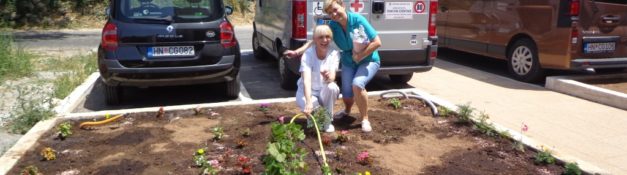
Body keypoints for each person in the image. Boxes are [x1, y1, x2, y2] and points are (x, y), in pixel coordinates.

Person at [285, 0, 382, 132]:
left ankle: (365, 119)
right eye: (330, 13)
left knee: (357, 84)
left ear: (342, 5)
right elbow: (316, 39)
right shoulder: (333, 25)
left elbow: (377, 42)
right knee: (347, 94)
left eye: (335, 9)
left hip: (368, 59)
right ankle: (347, 111)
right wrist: (298, 52)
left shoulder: (358, 20)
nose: (334, 14)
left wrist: (360, 55)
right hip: (349, 60)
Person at [295, 25, 340, 133]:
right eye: (320, 37)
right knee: (314, 118)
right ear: (314, 39)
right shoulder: (308, 55)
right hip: (307, 92)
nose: (325, 40)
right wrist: (309, 102)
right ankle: (315, 117)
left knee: (332, 87)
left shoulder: (334, 53)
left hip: (323, 91)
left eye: (327, 36)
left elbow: (333, 77)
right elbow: (306, 81)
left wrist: (328, 77)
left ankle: (327, 121)